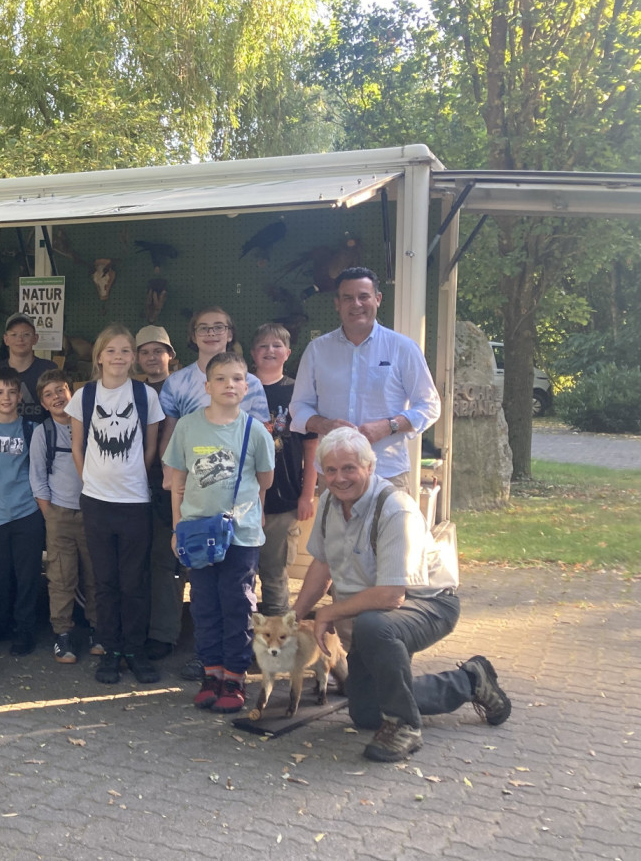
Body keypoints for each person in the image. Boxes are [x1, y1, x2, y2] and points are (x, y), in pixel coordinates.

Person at [291, 428, 510, 762]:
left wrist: (327, 613)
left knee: (374, 627)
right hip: (374, 611)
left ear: (369, 467)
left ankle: (404, 727)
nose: (339, 478)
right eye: (331, 470)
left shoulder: (396, 509)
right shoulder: (329, 504)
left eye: (349, 468)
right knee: (364, 712)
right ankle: (470, 681)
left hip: (430, 603)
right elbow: (322, 564)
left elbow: (392, 595)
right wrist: (293, 618)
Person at [158, 306, 269, 681]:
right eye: (220, 379)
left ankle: (235, 676)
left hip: (241, 536)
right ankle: (211, 673)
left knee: (237, 604)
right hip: (196, 531)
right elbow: (176, 483)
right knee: (204, 605)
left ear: (247, 385)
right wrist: (177, 528)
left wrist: (255, 517)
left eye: (237, 379)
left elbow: (264, 482)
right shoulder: (188, 427)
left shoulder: (256, 431)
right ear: (207, 386)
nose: (229, 385)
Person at [66, 325, 166, 684]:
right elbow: (78, 446)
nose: (119, 357)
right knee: (104, 581)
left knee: (134, 581)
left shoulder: (144, 396)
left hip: (135, 501)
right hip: (96, 502)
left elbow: (150, 446)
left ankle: (134, 650)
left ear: (134, 357)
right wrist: (90, 480)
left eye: (126, 351)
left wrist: (136, 476)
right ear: (99, 356)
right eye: (112, 351)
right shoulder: (84, 395)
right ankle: (110, 650)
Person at [289, 267, 442, 492]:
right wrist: (326, 425)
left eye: (364, 297)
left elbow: (430, 406)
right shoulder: (317, 350)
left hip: (386, 472)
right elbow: (299, 406)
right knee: (336, 529)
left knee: (389, 529)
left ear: (378, 299)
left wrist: (389, 426)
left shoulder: (402, 348)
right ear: (337, 304)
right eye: (348, 298)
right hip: (333, 474)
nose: (356, 304)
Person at [0, 366, 46, 656]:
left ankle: (25, 629)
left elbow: (39, 472)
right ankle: (0, 624)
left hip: (27, 512)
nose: (6, 397)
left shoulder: (32, 429)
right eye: (0, 392)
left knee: (27, 575)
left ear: (20, 396)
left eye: (11, 392)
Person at [28, 369, 96, 665]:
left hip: (93, 512)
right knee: (61, 575)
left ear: (72, 392)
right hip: (59, 513)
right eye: (48, 394)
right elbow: (37, 478)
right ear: (43, 403)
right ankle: (62, 634)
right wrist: (50, 515)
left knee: (96, 574)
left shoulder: (91, 425)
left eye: (61, 390)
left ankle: (98, 629)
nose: (56, 397)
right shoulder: (43, 433)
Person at [250, 322, 317, 616]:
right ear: (253, 352)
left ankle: (279, 647)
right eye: (263, 346)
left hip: (284, 499)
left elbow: (311, 448)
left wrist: (307, 495)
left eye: (276, 346)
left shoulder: (298, 393)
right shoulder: (239, 387)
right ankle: (244, 643)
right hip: (242, 500)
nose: (270, 351)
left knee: (276, 578)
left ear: (288, 353)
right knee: (241, 579)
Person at [135, 324, 183, 662]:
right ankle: (142, 628)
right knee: (143, 562)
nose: (153, 357)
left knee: (168, 561)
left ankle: (164, 634)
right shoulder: (132, 392)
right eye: (146, 351)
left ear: (171, 355)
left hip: (176, 485)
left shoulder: (183, 388)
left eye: (158, 350)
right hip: (136, 485)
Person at [0, 313, 58, 424]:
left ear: (35, 338)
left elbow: (61, 411)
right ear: (6, 339)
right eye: (14, 335)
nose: (20, 339)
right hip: (2, 439)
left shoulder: (49, 369)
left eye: (26, 334)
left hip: (41, 438)